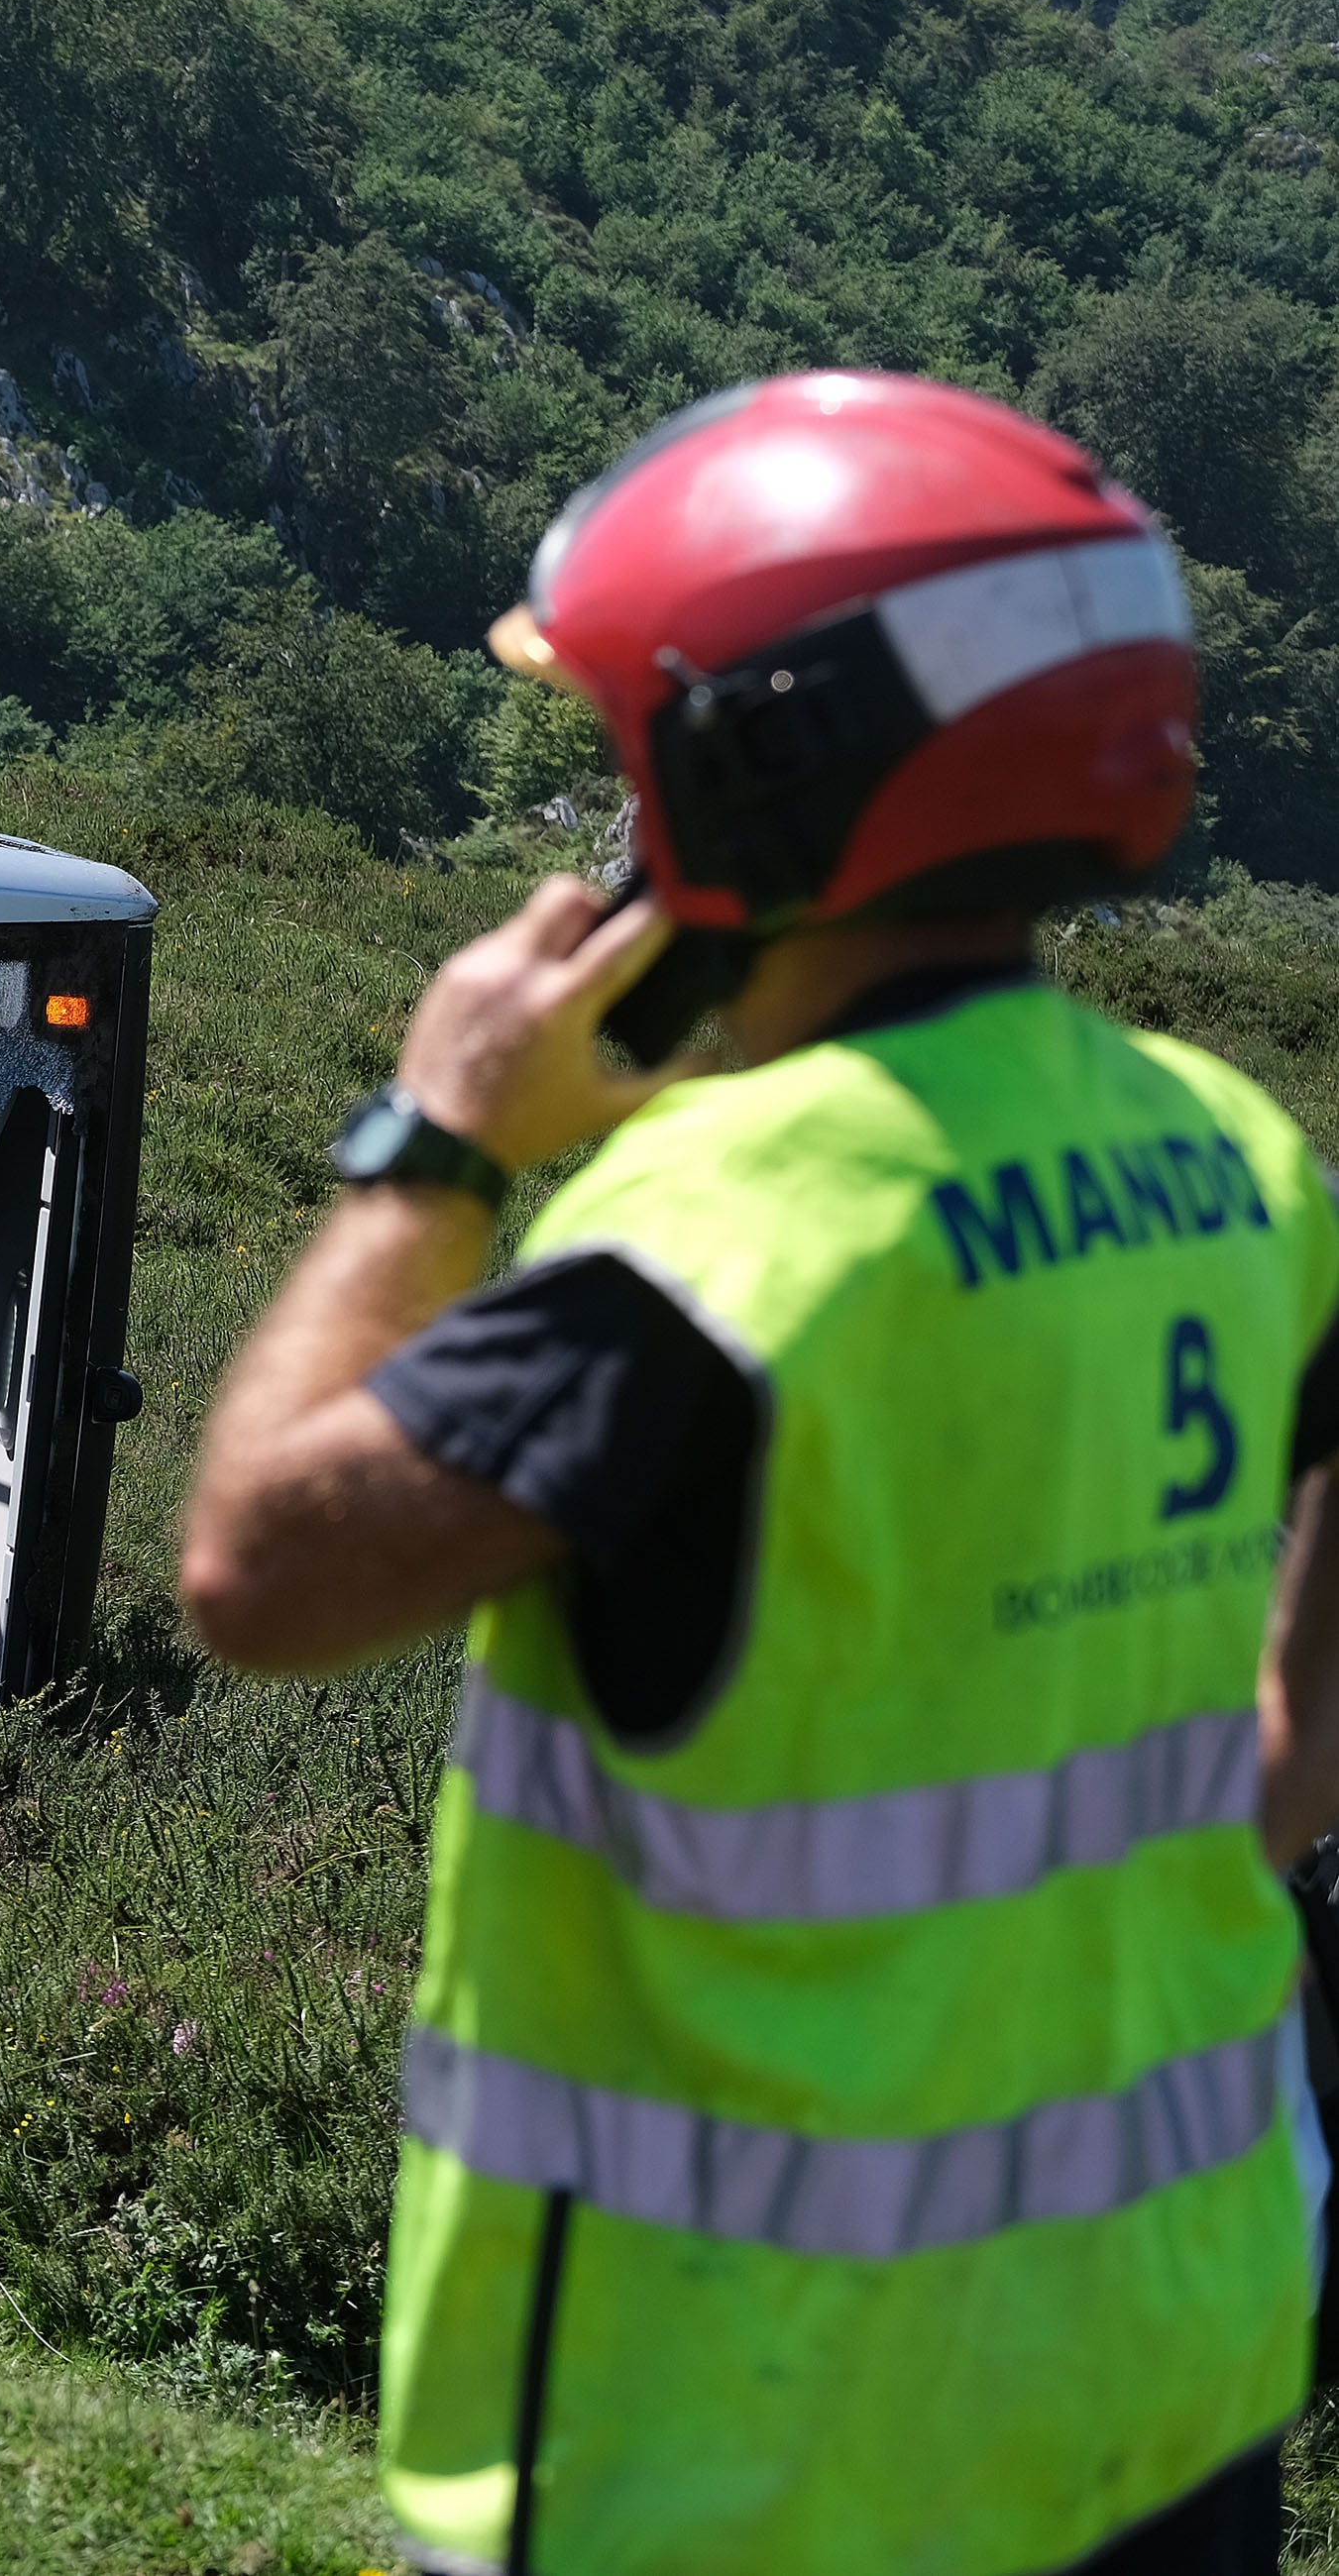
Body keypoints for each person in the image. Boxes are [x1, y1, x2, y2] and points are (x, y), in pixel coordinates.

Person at [179, 372, 1339, 2576]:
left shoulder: (724, 1235)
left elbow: (252, 1568)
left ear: (757, 767)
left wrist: (428, 1144)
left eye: (631, 746)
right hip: (1159, 2390)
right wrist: (1276, 1774)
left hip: (746, 2464)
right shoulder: (1223, 1144)